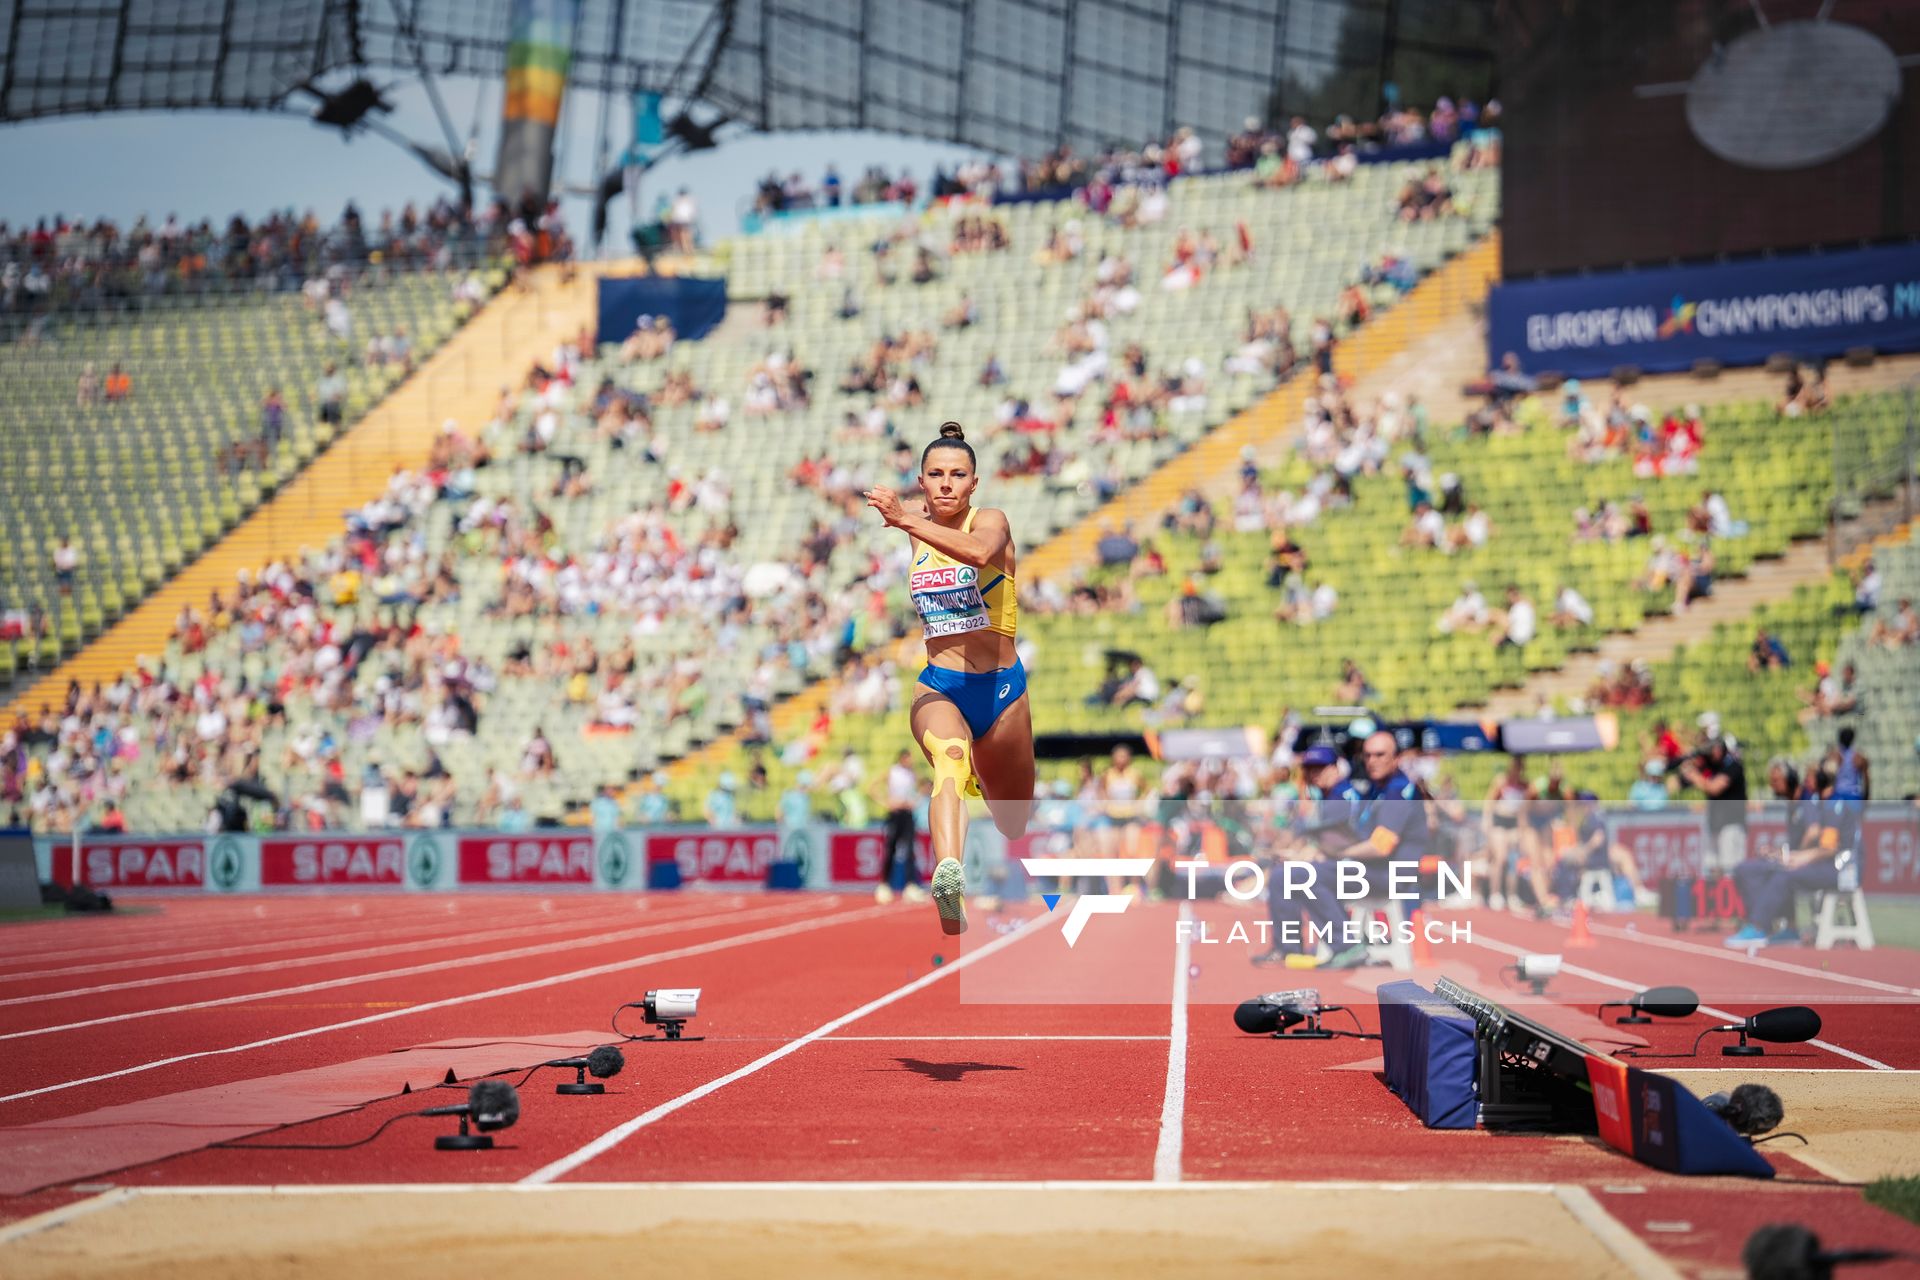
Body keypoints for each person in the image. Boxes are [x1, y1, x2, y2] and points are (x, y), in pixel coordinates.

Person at [866, 421, 1034, 934]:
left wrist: (905, 522)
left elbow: (980, 554)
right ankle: (949, 878)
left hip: (1002, 692)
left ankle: (986, 785)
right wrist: (903, 521)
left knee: (1013, 819)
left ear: (974, 483)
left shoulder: (992, 521)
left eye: (957, 475)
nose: (945, 484)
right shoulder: (914, 527)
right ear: (921, 481)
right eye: (935, 474)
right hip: (941, 684)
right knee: (950, 759)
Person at [878, 749, 928, 903]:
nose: (911, 761)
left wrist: (916, 800)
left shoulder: (912, 773)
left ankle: (910, 885)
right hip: (895, 814)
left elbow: (925, 785)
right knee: (891, 849)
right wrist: (886, 802)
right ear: (902, 758)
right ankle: (885, 884)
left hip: (907, 814)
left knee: (909, 850)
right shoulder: (892, 772)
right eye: (909, 758)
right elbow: (872, 787)